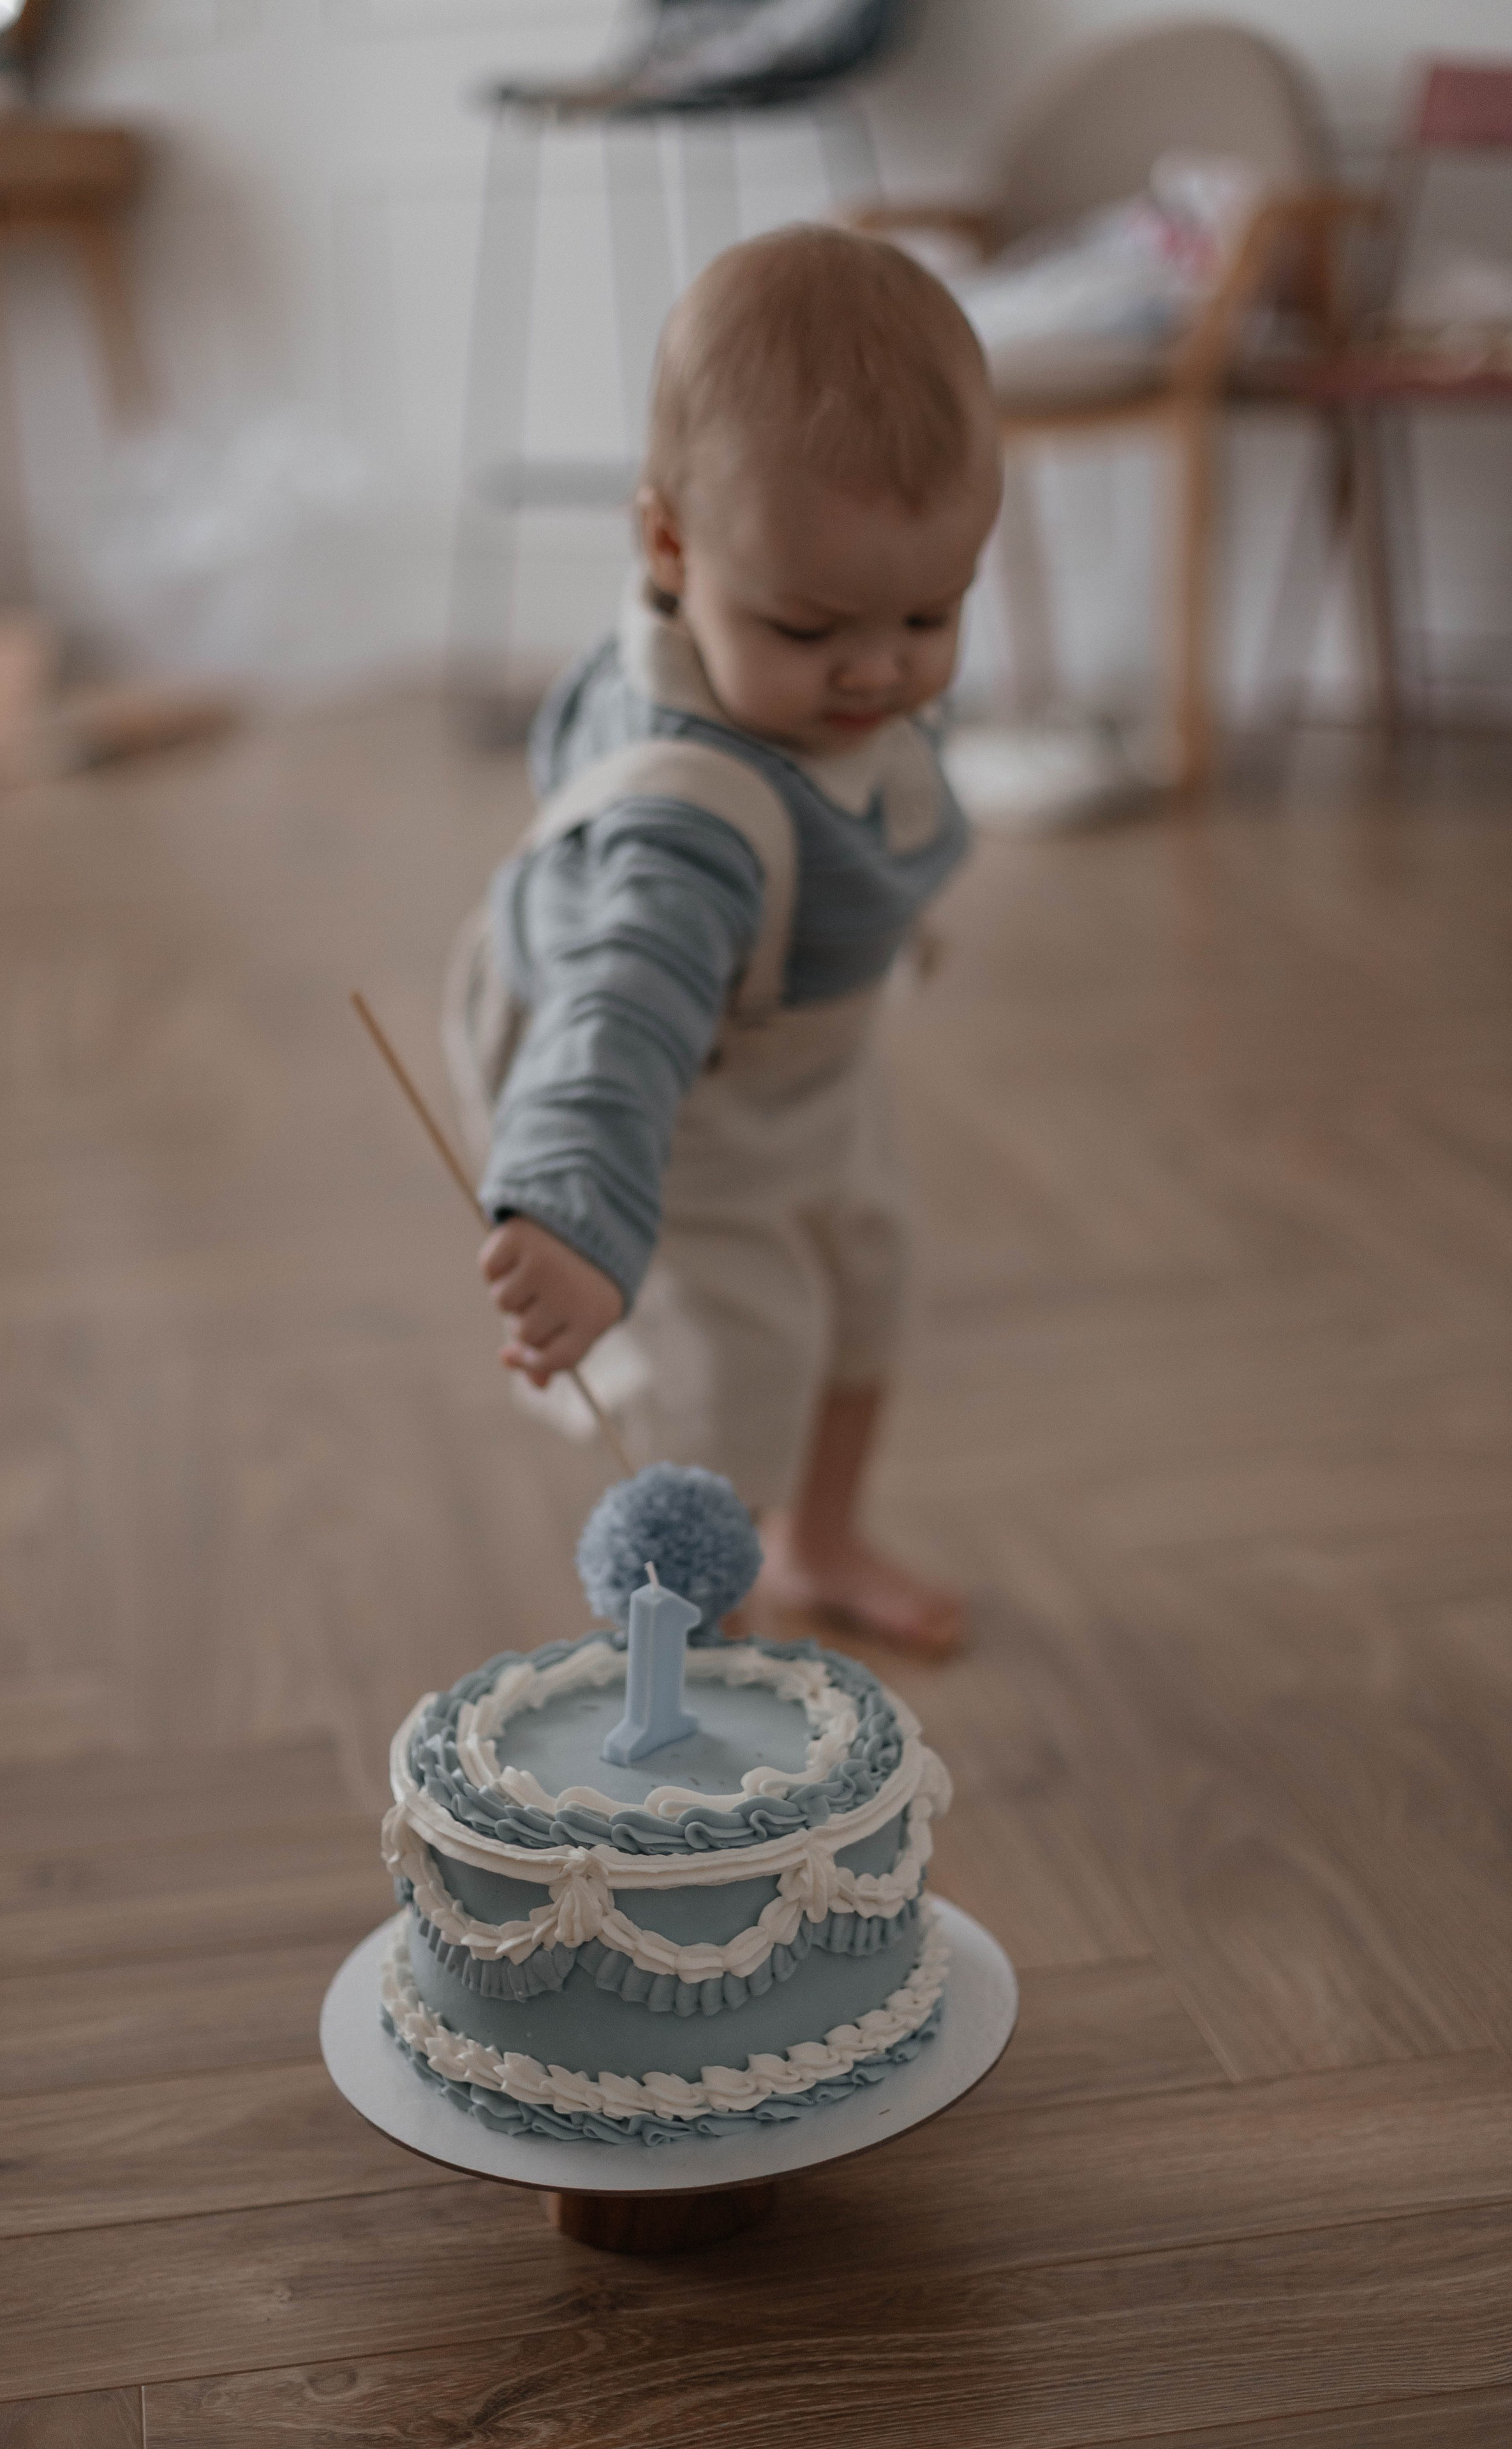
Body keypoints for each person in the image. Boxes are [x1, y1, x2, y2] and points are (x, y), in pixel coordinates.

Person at [447, 223, 1001, 1656]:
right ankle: (700, 1636)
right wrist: (572, 1210)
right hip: (674, 1123)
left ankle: (821, 1537)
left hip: (805, 1062)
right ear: (668, 546)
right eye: (814, 627)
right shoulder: (681, 831)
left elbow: (854, 716)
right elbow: (615, 1020)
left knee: (867, 1283)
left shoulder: (807, 661)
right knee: (729, 1377)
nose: (878, 669)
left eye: (927, 615)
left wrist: (824, 646)